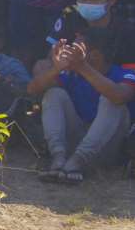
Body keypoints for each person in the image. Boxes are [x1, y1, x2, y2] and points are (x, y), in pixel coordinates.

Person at [27, 28, 135, 184]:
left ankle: (77, 162)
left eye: (75, 49)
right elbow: (32, 89)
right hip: (73, 146)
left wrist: (83, 67)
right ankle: (58, 158)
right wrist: (56, 69)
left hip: (107, 149)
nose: (69, 53)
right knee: (54, 94)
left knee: (111, 101)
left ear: (95, 55)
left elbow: (119, 96)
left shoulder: (124, 74)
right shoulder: (72, 74)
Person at [40, 0, 133, 68]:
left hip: (115, 75)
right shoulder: (69, 18)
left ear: (112, 0)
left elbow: (130, 70)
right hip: (72, 73)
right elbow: (49, 59)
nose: (87, 3)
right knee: (42, 66)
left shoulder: (126, 30)